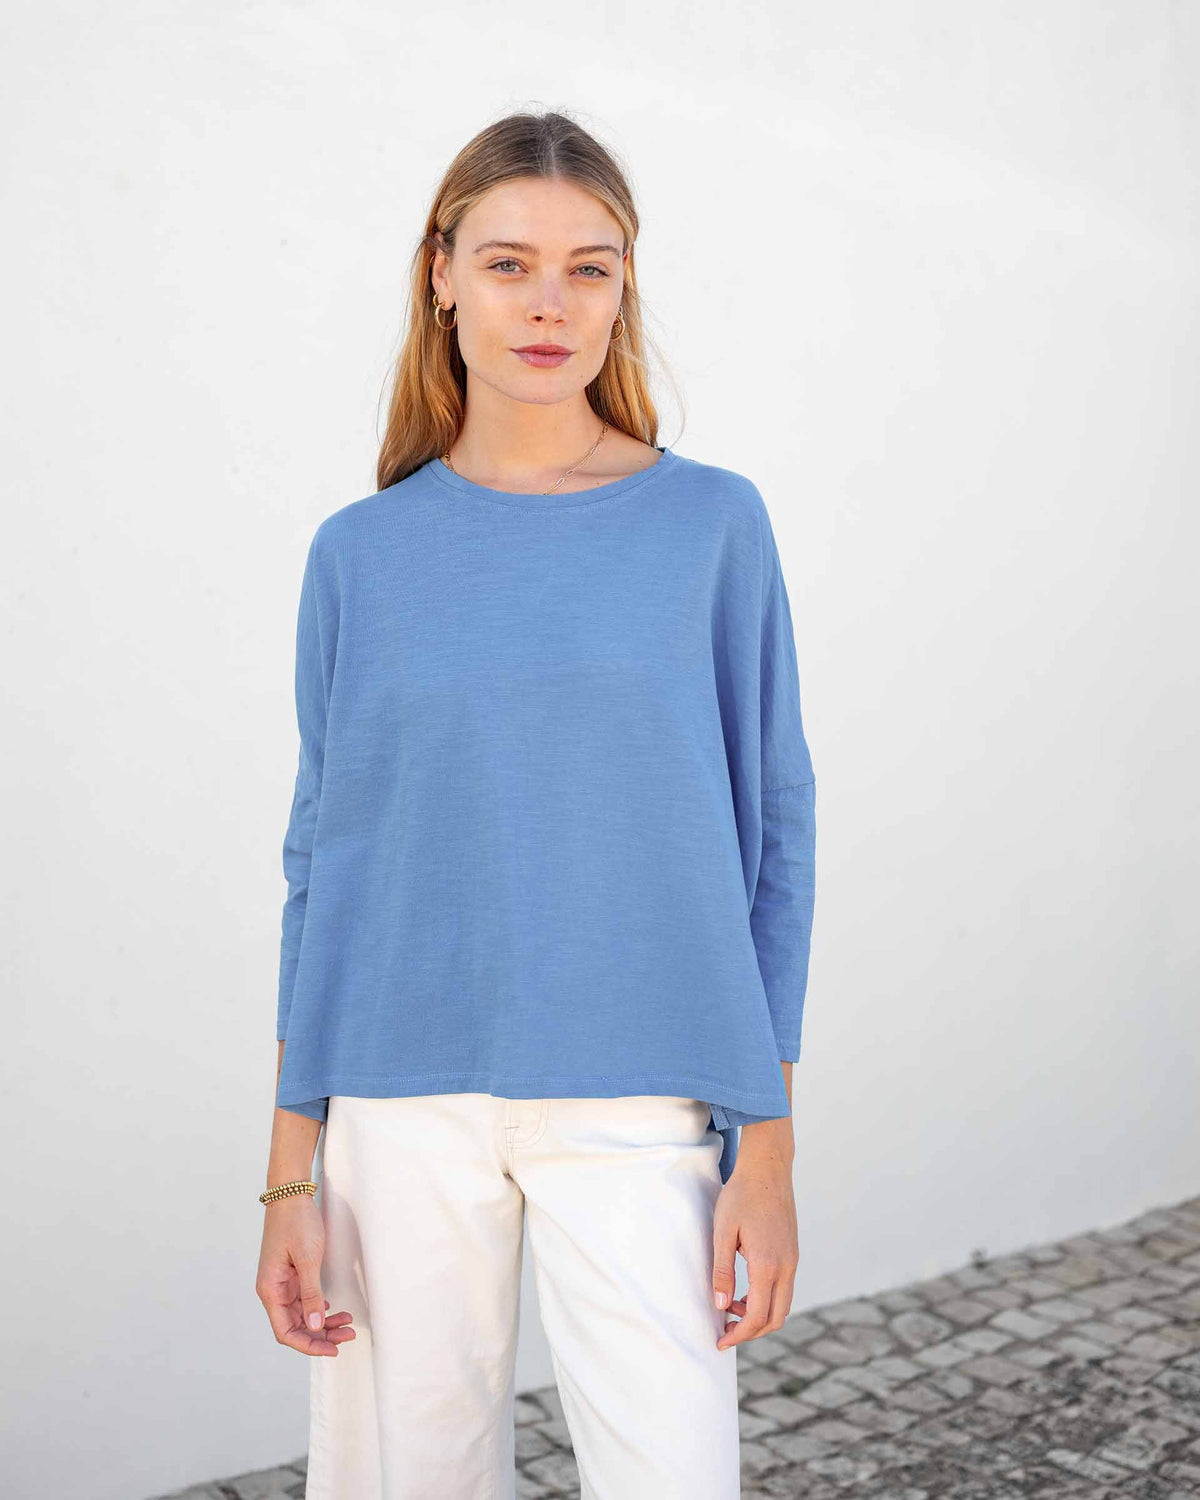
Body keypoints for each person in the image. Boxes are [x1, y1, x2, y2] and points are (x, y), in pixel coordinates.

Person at [255, 109, 817, 1500]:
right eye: (509, 264)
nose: (550, 305)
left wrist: (769, 1148)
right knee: (408, 1480)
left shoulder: (710, 528)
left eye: (592, 267)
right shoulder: (361, 555)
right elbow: (323, 858)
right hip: (397, 1094)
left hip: (642, 1087)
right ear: (439, 273)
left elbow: (775, 836)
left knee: (672, 1473)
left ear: (628, 286)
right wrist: (289, 1171)